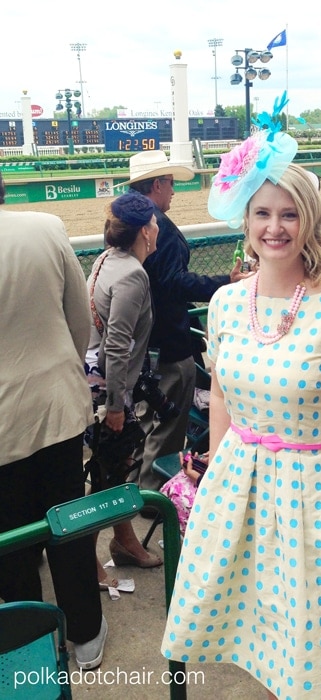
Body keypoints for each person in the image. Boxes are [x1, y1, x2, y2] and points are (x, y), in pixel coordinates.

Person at [161, 95, 321, 699]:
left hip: (315, 490)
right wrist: (212, 474)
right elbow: (223, 400)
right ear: (246, 219)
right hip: (240, 482)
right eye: (262, 212)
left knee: (316, 646)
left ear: (309, 221)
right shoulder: (226, 304)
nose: (274, 228)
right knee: (259, 633)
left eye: (289, 214)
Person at [0, 170, 107, 670]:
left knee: (13, 540)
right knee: (67, 524)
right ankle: (85, 634)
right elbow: (79, 320)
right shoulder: (45, 226)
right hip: (57, 405)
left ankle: (32, 646)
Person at [119, 150, 251, 500]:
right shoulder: (157, 226)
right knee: (167, 426)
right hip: (167, 344)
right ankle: (155, 500)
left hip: (138, 342)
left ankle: (133, 491)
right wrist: (226, 283)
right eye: (172, 184)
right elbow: (174, 283)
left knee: (146, 424)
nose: (174, 191)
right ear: (158, 184)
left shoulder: (125, 220)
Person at [85, 191, 162, 583]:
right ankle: (88, 555)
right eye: (154, 224)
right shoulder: (133, 273)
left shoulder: (105, 260)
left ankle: (124, 540)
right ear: (145, 232)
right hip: (112, 395)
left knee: (112, 470)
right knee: (110, 476)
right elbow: (118, 344)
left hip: (97, 385)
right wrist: (117, 405)